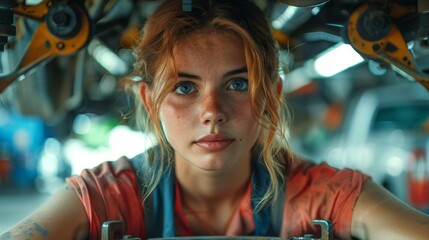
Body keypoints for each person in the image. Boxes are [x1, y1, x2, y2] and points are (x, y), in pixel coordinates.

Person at [2, 0, 429, 239]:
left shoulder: (317, 193)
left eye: (238, 84)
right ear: (150, 102)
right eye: (185, 87)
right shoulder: (110, 194)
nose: (212, 111)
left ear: (271, 95)